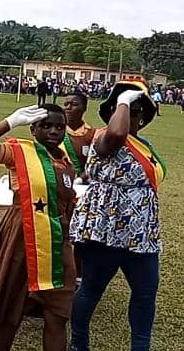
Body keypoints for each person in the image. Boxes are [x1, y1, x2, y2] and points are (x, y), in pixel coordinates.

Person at [0, 104, 77, 351]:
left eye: (59, 127)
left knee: (57, 314)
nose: (53, 131)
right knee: (11, 311)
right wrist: (9, 121)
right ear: (33, 128)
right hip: (23, 236)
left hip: (58, 243)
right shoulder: (20, 153)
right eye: (46, 125)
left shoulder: (66, 162)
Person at [69, 80, 163, 351]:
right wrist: (122, 100)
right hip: (106, 229)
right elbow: (118, 133)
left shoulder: (144, 144)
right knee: (91, 290)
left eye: (136, 110)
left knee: (145, 295)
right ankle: (78, 344)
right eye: (123, 109)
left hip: (142, 232)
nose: (131, 114)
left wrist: (129, 102)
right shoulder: (104, 138)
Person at [61, 92, 95, 180]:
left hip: (83, 184)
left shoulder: (93, 134)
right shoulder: (55, 132)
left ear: (84, 108)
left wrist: (81, 179)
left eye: (74, 104)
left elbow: (95, 162)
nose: (68, 107)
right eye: (66, 104)